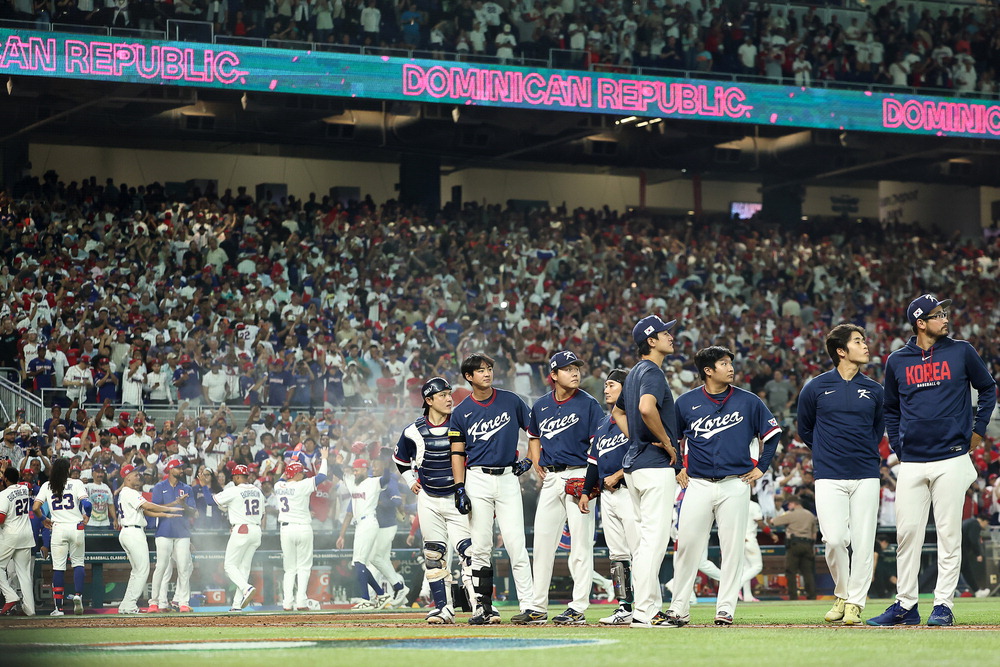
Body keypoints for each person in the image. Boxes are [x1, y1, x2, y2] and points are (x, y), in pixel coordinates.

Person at [868, 295, 996, 627]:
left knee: (948, 534)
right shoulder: (897, 360)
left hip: (951, 457)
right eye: (938, 315)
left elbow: (988, 388)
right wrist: (898, 446)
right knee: (907, 534)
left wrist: (978, 430)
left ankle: (943, 604)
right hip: (912, 461)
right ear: (920, 322)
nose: (946, 318)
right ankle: (906, 605)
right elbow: (891, 409)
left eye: (945, 313)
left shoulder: (962, 350)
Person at [667, 346, 781, 627]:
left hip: (736, 483)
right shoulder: (686, 402)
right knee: (687, 546)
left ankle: (726, 609)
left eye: (730, 362)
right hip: (699, 484)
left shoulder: (749, 401)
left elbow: (774, 433)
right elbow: (670, 438)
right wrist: (677, 468)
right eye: (724, 363)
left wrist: (761, 468)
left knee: (733, 549)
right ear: (708, 370)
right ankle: (678, 609)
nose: (731, 367)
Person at [797, 323, 885, 625]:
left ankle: (855, 603)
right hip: (829, 473)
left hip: (866, 473)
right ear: (840, 350)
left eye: (864, 340)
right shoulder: (815, 387)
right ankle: (843, 592)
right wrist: (827, 451)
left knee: (863, 541)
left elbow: (877, 430)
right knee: (834, 539)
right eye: (858, 341)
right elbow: (804, 429)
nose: (865, 345)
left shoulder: (875, 389)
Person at [449, 352, 536, 625]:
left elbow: (534, 431)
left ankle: (530, 606)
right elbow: (456, 453)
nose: (487, 373)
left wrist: (531, 460)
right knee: (481, 546)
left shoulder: (511, 400)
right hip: (477, 478)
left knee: (516, 544)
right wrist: (459, 487)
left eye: (489, 368)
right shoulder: (462, 411)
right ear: (469, 376)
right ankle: (482, 607)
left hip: (508, 477)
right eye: (481, 370)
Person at [611, 315, 681, 628]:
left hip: (634, 465)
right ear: (650, 340)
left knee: (644, 543)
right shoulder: (652, 371)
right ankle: (645, 612)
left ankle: (647, 607)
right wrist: (666, 442)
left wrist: (636, 439)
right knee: (654, 540)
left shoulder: (633, 373)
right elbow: (645, 408)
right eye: (665, 332)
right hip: (654, 465)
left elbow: (618, 411)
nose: (671, 336)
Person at [527, 350, 604, 625]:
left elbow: (598, 446)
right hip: (552, 478)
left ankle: (578, 607)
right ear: (554, 375)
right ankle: (537, 606)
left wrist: (591, 481)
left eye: (576, 368)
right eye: (568, 368)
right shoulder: (541, 406)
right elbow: (533, 436)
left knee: (580, 547)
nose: (575, 372)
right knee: (542, 544)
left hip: (581, 475)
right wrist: (536, 462)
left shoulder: (589, 404)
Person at [394, 377, 476, 625]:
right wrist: (410, 481)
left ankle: (479, 608)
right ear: (429, 400)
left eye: (450, 393)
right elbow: (400, 460)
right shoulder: (412, 430)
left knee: (470, 553)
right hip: (428, 499)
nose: (449, 398)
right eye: (443, 395)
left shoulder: (462, 424)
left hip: (458, 497)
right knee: (433, 554)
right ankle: (443, 609)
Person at [579, 368, 639, 625]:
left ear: (626, 389)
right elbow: (593, 462)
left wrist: (618, 475)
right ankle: (624, 608)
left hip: (630, 492)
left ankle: (648, 605)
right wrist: (585, 492)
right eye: (605, 385)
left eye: (612, 385)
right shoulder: (603, 424)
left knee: (640, 552)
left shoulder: (636, 419)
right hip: (608, 496)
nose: (606, 389)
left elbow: (642, 455)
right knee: (617, 555)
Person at [115, 464, 185, 615]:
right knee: (142, 570)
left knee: (136, 571)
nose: (138, 476)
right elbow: (148, 505)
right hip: (133, 532)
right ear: (126, 477)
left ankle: (126, 604)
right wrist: (168, 509)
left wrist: (166, 515)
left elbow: (145, 511)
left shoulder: (125, 493)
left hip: (128, 531)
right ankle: (131, 604)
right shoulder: (130, 492)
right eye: (134, 474)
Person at [32, 457, 92, 616]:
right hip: (76, 527)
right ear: (68, 470)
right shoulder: (76, 483)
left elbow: (36, 507)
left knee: (58, 567)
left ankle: (58, 608)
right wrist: (88, 516)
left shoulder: (46, 485)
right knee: (78, 563)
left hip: (58, 528)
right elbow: (87, 504)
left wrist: (44, 519)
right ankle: (78, 596)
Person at [274, 447, 329, 611]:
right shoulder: (302, 485)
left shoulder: (279, 486)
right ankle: (301, 602)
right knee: (303, 567)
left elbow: (283, 477)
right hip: (303, 528)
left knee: (289, 569)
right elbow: (322, 476)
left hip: (286, 530)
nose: (304, 474)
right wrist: (324, 458)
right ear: (297, 474)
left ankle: (287, 603)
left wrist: (291, 465)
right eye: (301, 472)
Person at [335, 457, 393, 609]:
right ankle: (381, 594)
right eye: (353, 470)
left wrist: (386, 463)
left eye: (357, 470)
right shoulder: (353, 483)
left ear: (364, 469)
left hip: (368, 521)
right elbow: (337, 472)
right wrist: (337, 462)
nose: (354, 472)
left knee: (359, 562)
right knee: (358, 563)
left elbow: (387, 478)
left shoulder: (373, 482)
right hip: (360, 524)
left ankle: (366, 599)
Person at [210, 465, 266, 611]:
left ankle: (246, 588)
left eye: (234, 477)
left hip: (242, 529)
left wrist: (205, 486)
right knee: (244, 568)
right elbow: (263, 514)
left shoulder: (234, 490)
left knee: (229, 565)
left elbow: (212, 501)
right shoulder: (258, 491)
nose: (233, 479)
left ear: (237, 477)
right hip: (256, 529)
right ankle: (236, 604)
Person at [147, 459, 196, 613]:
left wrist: (183, 505)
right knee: (161, 567)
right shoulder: (159, 487)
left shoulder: (186, 488)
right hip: (164, 531)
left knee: (184, 567)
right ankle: (155, 602)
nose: (181, 471)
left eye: (182, 468)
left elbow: (193, 511)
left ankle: (183, 602)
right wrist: (173, 505)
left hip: (182, 532)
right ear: (170, 469)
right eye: (178, 468)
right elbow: (153, 509)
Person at [369, 455, 409, 607]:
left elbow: (397, 500)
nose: (373, 468)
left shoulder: (389, 481)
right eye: (372, 466)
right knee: (382, 560)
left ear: (383, 467)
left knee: (375, 559)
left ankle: (400, 587)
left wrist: (379, 502)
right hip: (379, 525)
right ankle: (394, 594)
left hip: (387, 525)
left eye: (376, 466)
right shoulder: (374, 480)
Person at [0, 466, 36, 616]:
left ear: (6, 479)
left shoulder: (4, 494)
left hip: (11, 534)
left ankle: (10, 595)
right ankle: (30, 610)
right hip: (26, 534)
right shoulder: (24, 490)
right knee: (24, 574)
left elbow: (1, 518)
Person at [771, 496, 817, 600]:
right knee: (808, 572)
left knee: (791, 571)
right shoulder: (810, 515)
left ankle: (793, 596)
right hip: (808, 545)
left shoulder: (791, 514)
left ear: (793, 504)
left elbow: (774, 521)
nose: (788, 506)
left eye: (789, 504)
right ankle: (812, 596)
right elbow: (814, 534)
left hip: (794, 544)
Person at [961, 513, 991, 598]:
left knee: (966, 571)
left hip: (959, 548)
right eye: (987, 523)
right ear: (983, 521)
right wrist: (978, 553)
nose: (986, 525)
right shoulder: (975, 525)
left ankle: (977, 591)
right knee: (961, 571)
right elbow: (973, 540)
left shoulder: (969, 522)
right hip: (961, 549)